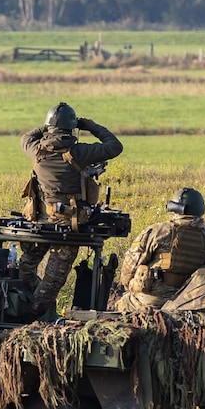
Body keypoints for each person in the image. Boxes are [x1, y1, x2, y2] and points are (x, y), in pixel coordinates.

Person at [19, 102, 123, 317]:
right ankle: (32, 313)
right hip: (70, 223)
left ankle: (21, 303)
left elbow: (26, 137)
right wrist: (90, 126)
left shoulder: (35, 149)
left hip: (39, 221)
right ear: (71, 128)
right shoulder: (80, 152)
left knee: (27, 266)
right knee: (53, 278)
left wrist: (47, 127)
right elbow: (115, 146)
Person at [114, 187, 205, 312]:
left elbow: (130, 267)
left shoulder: (157, 231)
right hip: (189, 302)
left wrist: (132, 285)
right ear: (200, 210)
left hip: (151, 300)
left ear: (174, 207)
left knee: (122, 305)